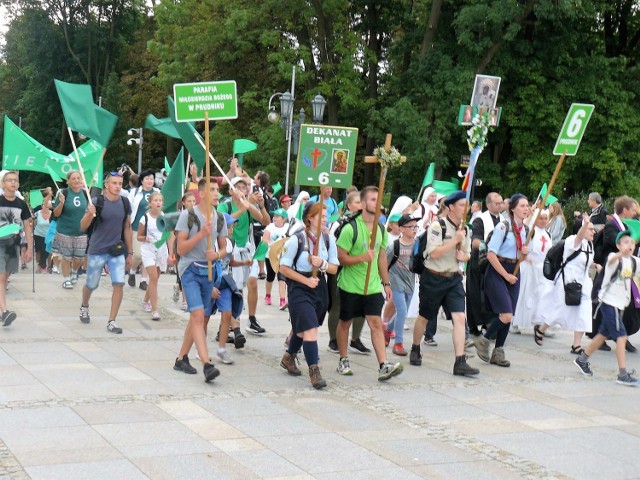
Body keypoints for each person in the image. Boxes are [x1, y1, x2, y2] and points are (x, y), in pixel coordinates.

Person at [335, 186, 404, 381]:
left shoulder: (380, 228)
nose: (378, 203)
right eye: (373, 199)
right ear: (363, 203)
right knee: (345, 322)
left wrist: (386, 283)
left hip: (373, 286)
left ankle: (383, 365)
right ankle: (343, 359)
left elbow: (382, 257)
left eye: (379, 199)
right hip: (350, 285)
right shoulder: (350, 228)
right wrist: (362, 257)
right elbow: (341, 258)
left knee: (375, 322)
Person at [408, 191, 478, 376]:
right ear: (451, 207)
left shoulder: (466, 229)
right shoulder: (438, 226)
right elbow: (434, 253)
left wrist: (465, 256)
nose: (465, 209)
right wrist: (454, 240)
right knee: (424, 316)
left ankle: (460, 361)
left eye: (467, 206)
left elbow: (467, 252)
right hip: (433, 277)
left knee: (460, 318)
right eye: (462, 205)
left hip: (453, 278)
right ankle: (415, 348)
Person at [173, 178, 228, 382]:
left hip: (209, 271)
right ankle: (206, 363)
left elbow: (223, 248)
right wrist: (201, 235)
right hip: (189, 270)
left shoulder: (219, 218)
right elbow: (181, 249)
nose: (216, 193)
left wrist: (218, 255)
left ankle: (181, 358)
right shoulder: (188, 216)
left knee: (199, 317)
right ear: (202, 193)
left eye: (217, 190)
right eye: (212, 190)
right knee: (197, 315)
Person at [279, 202, 339, 389]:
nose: (326, 219)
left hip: (319, 286)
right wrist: (305, 281)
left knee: (303, 329)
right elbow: (283, 268)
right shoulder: (297, 239)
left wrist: (321, 263)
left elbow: (334, 268)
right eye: (321, 215)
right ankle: (314, 370)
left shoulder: (329, 240)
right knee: (311, 329)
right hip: (299, 287)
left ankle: (288, 357)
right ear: (310, 218)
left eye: (326, 215)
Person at [574, 229, 640, 386]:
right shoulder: (613, 257)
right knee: (621, 337)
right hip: (608, 302)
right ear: (618, 245)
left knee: (603, 334)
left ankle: (582, 360)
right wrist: (620, 254)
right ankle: (622, 374)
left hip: (619, 304)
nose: (629, 245)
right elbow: (611, 261)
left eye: (631, 242)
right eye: (625, 242)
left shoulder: (633, 261)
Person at [475, 194, 530, 368]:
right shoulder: (503, 226)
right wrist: (505, 276)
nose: (526, 208)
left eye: (527, 206)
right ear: (512, 208)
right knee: (506, 314)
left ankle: (498, 351)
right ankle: (484, 339)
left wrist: (524, 254)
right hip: (498, 270)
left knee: (509, 315)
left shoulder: (526, 230)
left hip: (515, 270)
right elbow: (491, 254)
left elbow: (520, 255)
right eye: (522, 205)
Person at [78, 172, 133, 334]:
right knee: (91, 284)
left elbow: (127, 228)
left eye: (120, 183)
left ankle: (112, 321)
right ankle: (84, 305)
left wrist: (130, 252)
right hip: (97, 249)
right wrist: (89, 213)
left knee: (118, 283)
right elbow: (83, 226)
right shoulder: (97, 202)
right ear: (106, 185)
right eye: (114, 183)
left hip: (116, 249)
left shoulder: (125, 202)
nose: (117, 186)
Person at [533, 214, 595, 352]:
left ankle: (576, 345)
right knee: (559, 310)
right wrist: (585, 223)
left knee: (584, 312)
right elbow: (578, 238)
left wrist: (595, 265)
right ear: (582, 229)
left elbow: (584, 261)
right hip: (567, 282)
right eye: (590, 229)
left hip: (583, 284)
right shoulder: (572, 240)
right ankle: (541, 328)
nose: (593, 231)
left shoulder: (590, 244)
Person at [218, 177, 270, 334]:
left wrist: (259, 206)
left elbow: (265, 220)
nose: (243, 189)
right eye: (238, 187)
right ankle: (228, 326)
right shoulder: (225, 205)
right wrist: (243, 205)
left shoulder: (248, 205)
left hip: (246, 249)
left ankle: (252, 319)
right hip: (230, 250)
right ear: (231, 190)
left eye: (245, 187)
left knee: (252, 283)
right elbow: (222, 223)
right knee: (234, 289)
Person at [592, 195, 639, 353]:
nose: (635, 213)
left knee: (625, 304)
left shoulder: (626, 226)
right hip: (610, 271)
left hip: (624, 270)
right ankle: (616, 338)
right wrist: (630, 241)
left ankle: (620, 337)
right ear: (624, 209)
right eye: (633, 210)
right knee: (605, 303)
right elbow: (612, 243)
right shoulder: (612, 225)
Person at [327, 190, 369, 354]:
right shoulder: (340, 223)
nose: (361, 205)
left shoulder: (367, 223)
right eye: (358, 202)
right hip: (339, 268)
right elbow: (330, 245)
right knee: (337, 305)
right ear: (349, 205)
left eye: (362, 202)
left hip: (359, 269)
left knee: (362, 304)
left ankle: (355, 339)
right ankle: (333, 340)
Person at [467, 192, 504, 335]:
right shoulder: (480, 220)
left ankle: (490, 324)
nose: (501, 205)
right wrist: (487, 246)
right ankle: (475, 325)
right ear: (489, 205)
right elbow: (475, 241)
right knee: (476, 295)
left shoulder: (504, 220)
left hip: (495, 263)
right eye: (497, 203)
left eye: (501, 203)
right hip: (479, 263)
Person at [0, 171, 33, 326]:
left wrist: (29, 247)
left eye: (15, 180)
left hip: (13, 245)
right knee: (1, 277)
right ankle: (5, 311)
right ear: (2, 184)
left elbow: (27, 226)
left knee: (5, 277)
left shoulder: (22, 204)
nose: (13, 183)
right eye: (9, 180)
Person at [511, 209, 552, 333]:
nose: (543, 221)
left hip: (542, 271)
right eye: (541, 218)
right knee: (525, 294)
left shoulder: (547, 234)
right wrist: (526, 258)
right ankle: (515, 322)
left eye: (545, 218)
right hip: (529, 268)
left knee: (542, 296)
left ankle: (539, 323)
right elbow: (521, 246)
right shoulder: (530, 232)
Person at [383, 214, 418, 356]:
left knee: (401, 312)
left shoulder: (417, 245)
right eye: (411, 227)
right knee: (402, 311)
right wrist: (386, 283)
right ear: (402, 229)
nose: (414, 229)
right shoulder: (395, 246)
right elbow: (384, 263)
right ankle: (398, 343)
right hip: (396, 282)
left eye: (416, 227)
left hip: (410, 282)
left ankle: (387, 328)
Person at [138, 192, 172, 321]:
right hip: (148, 250)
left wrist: (171, 254)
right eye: (155, 200)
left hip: (161, 250)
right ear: (150, 203)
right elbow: (138, 236)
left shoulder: (165, 217)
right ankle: (155, 309)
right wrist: (145, 238)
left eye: (160, 200)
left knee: (155, 279)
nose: (158, 202)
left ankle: (146, 300)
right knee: (152, 277)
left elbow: (169, 235)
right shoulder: (145, 218)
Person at [52, 171, 89, 289]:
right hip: (65, 230)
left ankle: (74, 271)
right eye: (74, 178)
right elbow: (56, 213)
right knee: (66, 257)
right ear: (68, 181)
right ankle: (66, 279)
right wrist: (61, 203)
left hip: (81, 231)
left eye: (79, 178)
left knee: (79, 257)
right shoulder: (63, 193)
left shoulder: (85, 193)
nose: (77, 180)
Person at [127, 169, 159, 290]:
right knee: (138, 255)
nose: (150, 181)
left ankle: (143, 280)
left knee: (148, 255)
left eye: (152, 178)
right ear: (142, 180)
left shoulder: (157, 192)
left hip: (152, 229)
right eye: (147, 179)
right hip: (136, 227)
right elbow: (128, 208)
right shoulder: (135, 192)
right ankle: (132, 270)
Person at [263, 208, 290, 309]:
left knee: (282, 278)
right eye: (274, 216)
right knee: (270, 276)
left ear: (284, 219)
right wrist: (272, 244)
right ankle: (268, 295)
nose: (274, 218)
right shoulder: (270, 227)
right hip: (270, 255)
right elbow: (265, 239)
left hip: (282, 256)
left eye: (277, 216)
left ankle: (282, 300)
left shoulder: (288, 227)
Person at [34, 190, 53, 273]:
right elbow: (33, 222)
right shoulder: (37, 213)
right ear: (42, 206)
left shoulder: (52, 214)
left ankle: (45, 266)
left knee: (46, 250)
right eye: (44, 206)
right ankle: (40, 265)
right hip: (38, 234)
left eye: (47, 206)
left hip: (48, 235)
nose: (45, 207)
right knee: (39, 251)